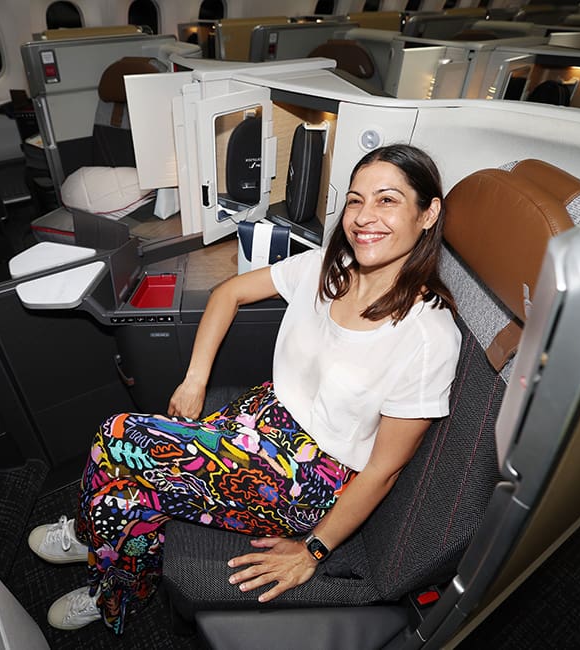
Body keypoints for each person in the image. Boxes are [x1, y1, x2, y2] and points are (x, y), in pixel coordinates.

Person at [27, 144, 463, 633]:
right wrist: (195, 379)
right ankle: (112, 572)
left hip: (306, 476)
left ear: (428, 213)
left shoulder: (428, 335)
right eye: (356, 200)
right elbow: (228, 293)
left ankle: (94, 546)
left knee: (117, 437)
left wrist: (313, 550)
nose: (364, 217)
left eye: (387, 200)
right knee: (127, 495)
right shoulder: (329, 267)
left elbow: (385, 468)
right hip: (262, 418)